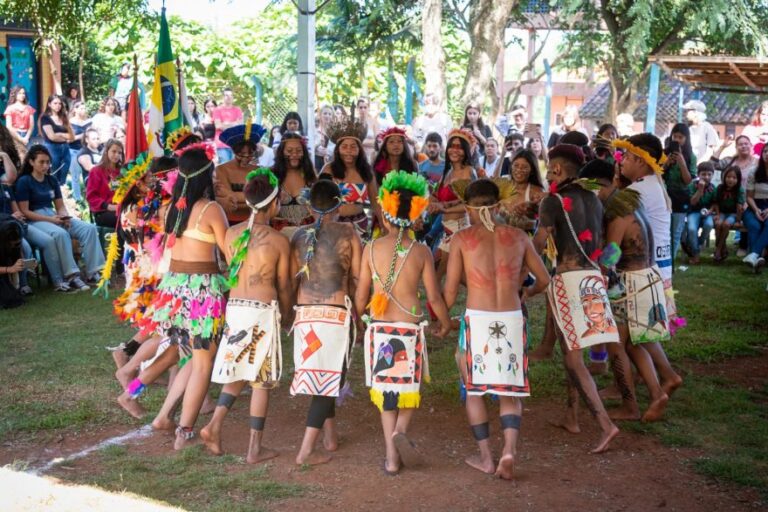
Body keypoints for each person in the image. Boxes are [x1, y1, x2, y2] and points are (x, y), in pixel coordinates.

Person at [442, 178, 549, 479]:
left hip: (477, 319)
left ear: (468, 208)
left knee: (474, 390)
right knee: (509, 391)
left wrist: (441, 319)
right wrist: (525, 292)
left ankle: (486, 458)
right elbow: (544, 279)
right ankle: (509, 452)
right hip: (511, 317)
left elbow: (450, 291)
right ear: (499, 205)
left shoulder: (462, 239)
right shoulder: (519, 237)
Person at [133, 143, 229, 449]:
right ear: (205, 176)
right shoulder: (211, 210)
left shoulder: (170, 209)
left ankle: (148, 403)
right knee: (202, 363)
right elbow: (229, 253)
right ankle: (184, 432)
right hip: (202, 292)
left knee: (188, 357)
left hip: (174, 291)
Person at [355, 171, 451, 475]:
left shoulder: (370, 249)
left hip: (380, 328)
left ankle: (391, 458)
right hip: (410, 328)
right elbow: (434, 297)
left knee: (387, 393)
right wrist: (445, 322)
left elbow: (361, 296)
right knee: (410, 386)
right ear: (414, 219)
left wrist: (359, 322)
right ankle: (401, 431)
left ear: (384, 218)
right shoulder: (421, 251)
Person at [531, 143, 620, 454]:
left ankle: (606, 424)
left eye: (549, 167)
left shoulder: (552, 201)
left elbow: (539, 242)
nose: (547, 173)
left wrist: (520, 263)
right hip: (593, 279)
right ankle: (572, 416)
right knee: (575, 351)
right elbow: (610, 246)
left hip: (568, 281)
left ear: (557, 168)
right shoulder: (595, 199)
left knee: (572, 358)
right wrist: (606, 273)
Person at [200, 169, 291, 463]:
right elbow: (284, 285)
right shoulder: (278, 241)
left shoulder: (231, 234)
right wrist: (288, 314)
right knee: (261, 380)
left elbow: (233, 268)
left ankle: (214, 426)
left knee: (239, 369)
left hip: (236, 308)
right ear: (274, 203)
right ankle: (254, 448)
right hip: (262, 313)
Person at [579, 159, 673, 422]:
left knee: (616, 345)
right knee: (632, 344)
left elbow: (613, 252)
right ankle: (658, 391)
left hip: (630, 282)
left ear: (596, 186)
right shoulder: (626, 200)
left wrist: (595, 270)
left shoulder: (616, 211)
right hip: (645, 277)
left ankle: (631, 405)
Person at [291, 179, 362, 465]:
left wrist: (288, 313)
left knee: (325, 377)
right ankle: (306, 451)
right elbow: (356, 278)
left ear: (309, 206)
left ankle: (330, 438)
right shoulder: (349, 232)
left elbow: (291, 280)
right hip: (335, 315)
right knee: (328, 377)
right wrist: (360, 315)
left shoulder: (298, 235)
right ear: (339, 205)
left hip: (305, 314)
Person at [613, 134, 684, 393]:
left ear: (642, 161)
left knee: (633, 333)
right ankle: (643, 378)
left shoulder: (637, 190)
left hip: (641, 269)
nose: (621, 161)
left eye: (627, 157)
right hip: (658, 266)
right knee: (637, 332)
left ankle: (663, 376)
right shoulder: (654, 183)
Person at [14, 145, 104, 291]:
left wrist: (64, 216)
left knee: (89, 229)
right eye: (41, 162)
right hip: (34, 220)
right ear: (31, 162)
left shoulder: (51, 180)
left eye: (48, 162)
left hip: (52, 215)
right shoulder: (24, 181)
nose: (46, 165)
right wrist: (52, 220)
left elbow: (60, 206)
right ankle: (72, 276)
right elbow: (25, 212)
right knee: (61, 234)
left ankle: (94, 271)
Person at [322, 118, 380, 240]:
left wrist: (384, 225)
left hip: (360, 225)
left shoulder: (366, 171)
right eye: (344, 147)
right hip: (334, 226)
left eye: (353, 147)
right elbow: (319, 199)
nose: (349, 151)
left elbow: (375, 202)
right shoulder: (329, 169)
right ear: (338, 150)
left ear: (359, 150)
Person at [432, 129, 477, 272]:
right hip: (447, 229)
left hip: (459, 228)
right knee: (442, 271)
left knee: (442, 271)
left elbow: (471, 204)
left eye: (459, 147)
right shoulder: (447, 172)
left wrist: (444, 209)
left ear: (466, 151)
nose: (454, 150)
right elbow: (435, 196)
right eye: (452, 146)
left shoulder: (469, 171)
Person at [213, 123, 268, 224]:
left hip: (254, 221)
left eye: (250, 154)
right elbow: (229, 201)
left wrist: (234, 196)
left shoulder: (258, 170)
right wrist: (253, 201)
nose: (245, 158)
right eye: (241, 155)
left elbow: (264, 198)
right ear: (234, 152)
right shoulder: (221, 170)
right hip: (229, 221)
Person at [271, 132, 317, 238]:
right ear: (281, 152)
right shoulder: (272, 175)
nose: (294, 154)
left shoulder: (310, 175)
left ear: (304, 153)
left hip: (307, 234)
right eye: (289, 151)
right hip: (279, 234)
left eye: (299, 151)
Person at [663, 123, 697, 261]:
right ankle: (662, 259)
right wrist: (666, 163)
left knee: (676, 232)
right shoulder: (664, 153)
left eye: (680, 137)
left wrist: (682, 162)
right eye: (674, 136)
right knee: (663, 230)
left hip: (681, 197)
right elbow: (658, 174)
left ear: (686, 138)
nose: (677, 139)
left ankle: (670, 262)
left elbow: (688, 181)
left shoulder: (691, 156)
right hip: (664, 195)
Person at [498, 149, 546, 232]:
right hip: (500, 236)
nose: (519, 170)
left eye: (524, 167)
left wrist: (532, 212)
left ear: (532, 170)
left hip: (525, 238)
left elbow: (543, 220)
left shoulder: (536, 191)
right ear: (511, 166)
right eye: (516, 165)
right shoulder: (503, 185)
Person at [86, 139, 124, 227]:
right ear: (106, 151)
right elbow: (91, 197)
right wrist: (109, 206)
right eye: (114, 151)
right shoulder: (96, 171)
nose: (117, 155)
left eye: (119, 153)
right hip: (103, 211)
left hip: (120, 208)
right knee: (126, 219)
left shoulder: (121, 171)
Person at [38, 95, 75, 187]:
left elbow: (72, 136)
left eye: (59, 103)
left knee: (64, 174)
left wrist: (60, 134)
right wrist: (66, 138)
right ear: (49, 104)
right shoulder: (45, 118)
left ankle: (62, 191)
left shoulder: (63, 117)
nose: (58, 105)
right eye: (55, 103)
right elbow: (52, 137)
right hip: (52, 148)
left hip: (65, 149)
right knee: (53, 173)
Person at [743, 143, 768, 271]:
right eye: (765, 151)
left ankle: (754, 255)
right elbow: (749, 197)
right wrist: (756, 210)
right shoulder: (754, 171)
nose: (767, 154)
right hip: (754, 205)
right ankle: (758, 258)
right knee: (754, 225)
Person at [685, 162, 716, 264]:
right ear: (698, 175)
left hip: (707, 212)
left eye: (709, 174)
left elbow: (714, 203)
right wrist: (700, 190)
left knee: (709, 224)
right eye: (703, 174)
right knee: (692, 229)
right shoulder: (692, 186)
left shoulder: (713, 188)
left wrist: (710, 211)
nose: (706, 177)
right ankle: (695, 253)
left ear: (712, 175)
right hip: (693, 211)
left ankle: (699, 243)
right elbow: (692, 202)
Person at [712, 165, 744, 263]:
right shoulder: (720, 188)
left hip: (733, 214)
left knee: (726, 224)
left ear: (738, 179)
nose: (731, 180)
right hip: (721, 212)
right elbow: (716, 203)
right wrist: (717, 214)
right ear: (724, 177)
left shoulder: (739, 189)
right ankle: (723, 247)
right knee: (718, 224)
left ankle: (718, 249)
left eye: (734, 178)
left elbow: (739, 207)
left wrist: (738, 220)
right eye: (728, 177)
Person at [212, 88, 244, 163]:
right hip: (222, 144)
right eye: (226, 95)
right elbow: (218, 126)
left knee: (235, 167)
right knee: (224, 167)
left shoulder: (237, 110)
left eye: (231, 95)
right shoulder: (217, 110)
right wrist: (234, 123)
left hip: (236, 144)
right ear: (222, 97)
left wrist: (225, 124)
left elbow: (240, 126)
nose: (229, 97)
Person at [68, 101, 92, 201]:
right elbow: (68, 139)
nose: (83, 110)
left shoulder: (89, 121)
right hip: (73, 150)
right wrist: (81, 136)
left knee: (89, 174)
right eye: (81, 108)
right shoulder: (70, 122)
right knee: (75, 175)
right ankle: (77, 199)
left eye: (84, 108)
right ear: (75, 110)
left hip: (86, 151)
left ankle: (90, 196)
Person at [356, 97, 380, 162]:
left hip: (371, 155)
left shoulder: (374, 122)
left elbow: (377, 141)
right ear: (357, 108)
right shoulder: (354, 122)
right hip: (357, 154)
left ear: (368, 108)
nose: (363, 110)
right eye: (361, 107)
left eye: (365, 107)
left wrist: (361, 143)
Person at [315, 105, 334, 170]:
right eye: (325, 113)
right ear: (320, 115)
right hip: (318, 162)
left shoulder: (335, 133)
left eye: (330, 114)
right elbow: (310, 147)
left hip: (331, 162)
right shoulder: (315, 131)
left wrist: (328, 151)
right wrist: (317, 146)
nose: (327, 116)